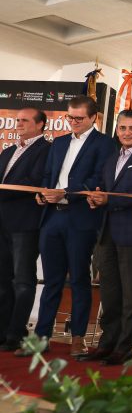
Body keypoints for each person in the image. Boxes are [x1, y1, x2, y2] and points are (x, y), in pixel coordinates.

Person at [23, 95, 114, 357]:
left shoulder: (105, 144)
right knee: (51, 280)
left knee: (79, 280)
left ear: (93, 118)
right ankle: (41, 337)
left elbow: (99, 179)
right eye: (69, 117)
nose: (73, 122)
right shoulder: (60, 142)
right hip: (52, 217)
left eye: (79, 118)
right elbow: (47, 176)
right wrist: (42, 194)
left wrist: (65, 192)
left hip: (81, 218)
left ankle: (77, 337)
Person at [82, 109, 132, 365]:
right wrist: (96, 199)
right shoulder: (111, 157)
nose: (127, 133)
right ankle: (107, 343)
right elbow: (104, 189)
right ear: (116, 129)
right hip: (106, 233)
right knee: (109, 293)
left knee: (130, 294)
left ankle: (124, 347)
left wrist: (109, 199)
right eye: (122, 128)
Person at [0, 108, 50, 352]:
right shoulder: (9, 150)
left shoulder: (46, 150)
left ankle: (16, 333)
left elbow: (34, 182)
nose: (18, 123)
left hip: (25, 224)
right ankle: (2, 330)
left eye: (24, 120)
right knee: (2, 280)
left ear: (40, 125)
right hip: (2, 223)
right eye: (17, 120)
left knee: (22, 281)